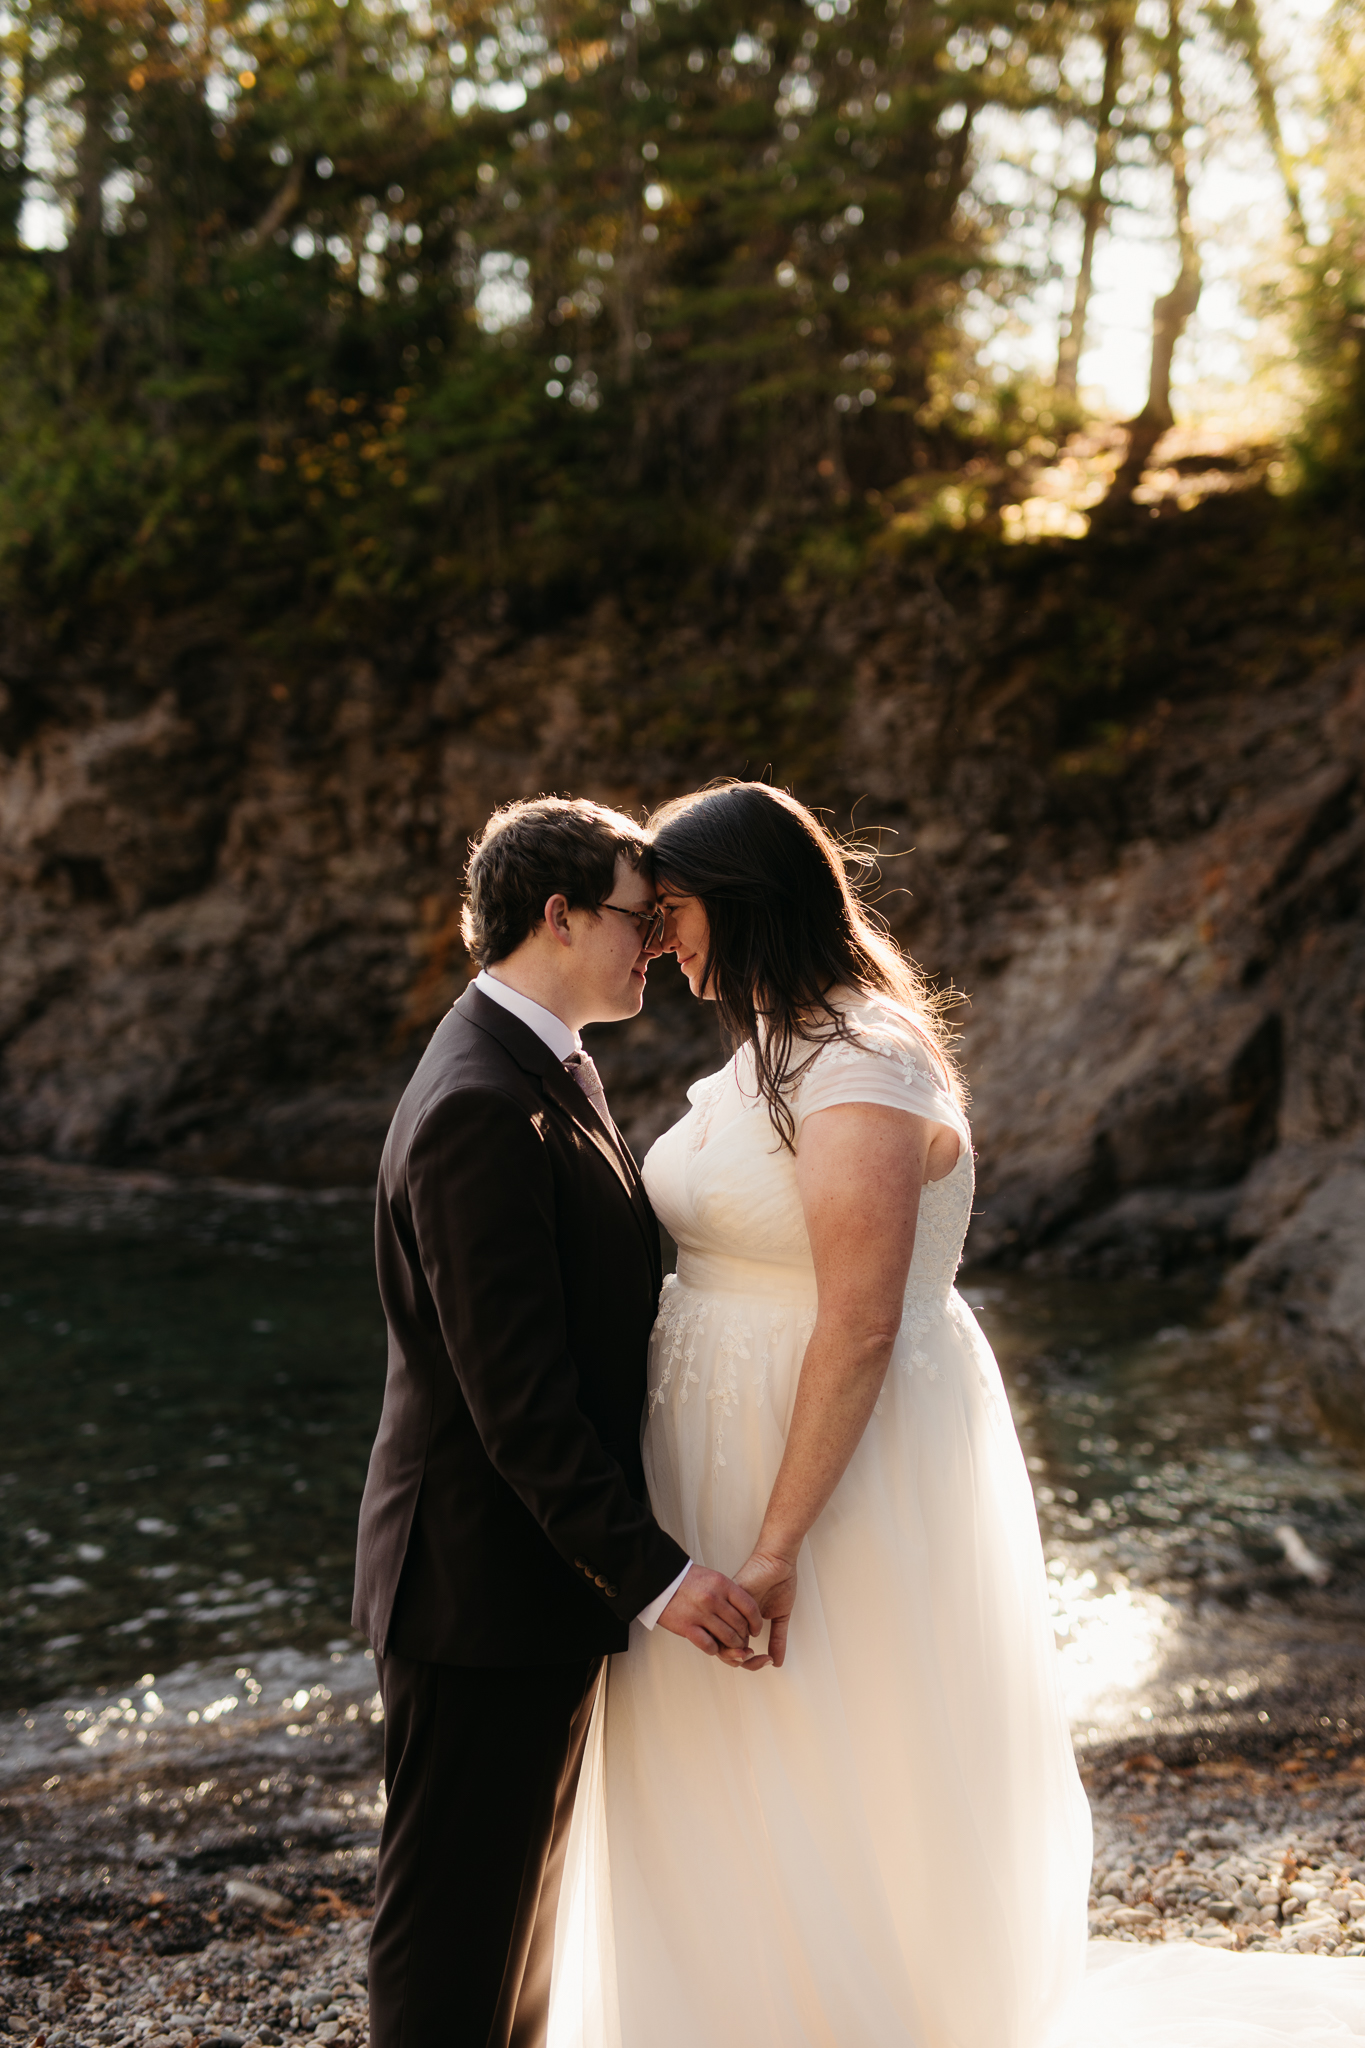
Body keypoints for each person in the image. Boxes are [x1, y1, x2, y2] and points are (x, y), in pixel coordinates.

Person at [547, 781, 1365, 2048]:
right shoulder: (777, 1036)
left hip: (821, 1460)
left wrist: (773, 1545)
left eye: (674, 909)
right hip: (710, 1438)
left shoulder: (862, 1056)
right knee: (727, 1755)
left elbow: (862, 1316)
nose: (658, 938)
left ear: (744, 900)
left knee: (832, 1740)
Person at [352, 795, 762, 2048]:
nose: (653, 943)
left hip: (520, 1583)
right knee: (456, 1940)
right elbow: (517, 1402)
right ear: (559, 912)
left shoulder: (534, 1065)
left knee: (516, 1927)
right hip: (475, 1590)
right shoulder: (484, 1098)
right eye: (639, 916)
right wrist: (662, 1576)